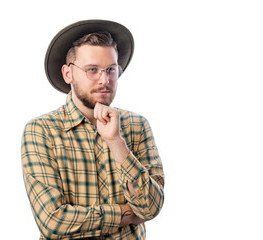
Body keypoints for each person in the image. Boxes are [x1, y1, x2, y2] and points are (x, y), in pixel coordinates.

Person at [21, 20, 165, 240]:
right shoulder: (41, 131)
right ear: (68, 74)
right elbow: (52, 222)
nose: (104, 80)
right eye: (92, 70)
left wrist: (117, 143)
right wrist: (124, 215)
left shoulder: (138, 126)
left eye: (111, 70)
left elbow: (151, 207)